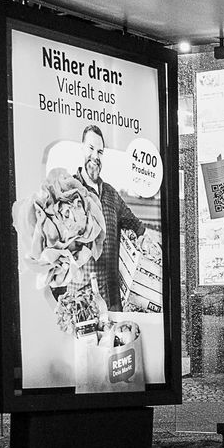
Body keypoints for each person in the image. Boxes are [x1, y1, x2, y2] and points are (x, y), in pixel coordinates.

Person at [79, 124, 142, 311]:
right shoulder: (71, 192)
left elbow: (135, 224)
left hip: (113, 300)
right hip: (83, 301)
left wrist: (144, 240)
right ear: (81, 148)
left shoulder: (111, 194)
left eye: (100, 152)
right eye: (91, 149)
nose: (95, 157)